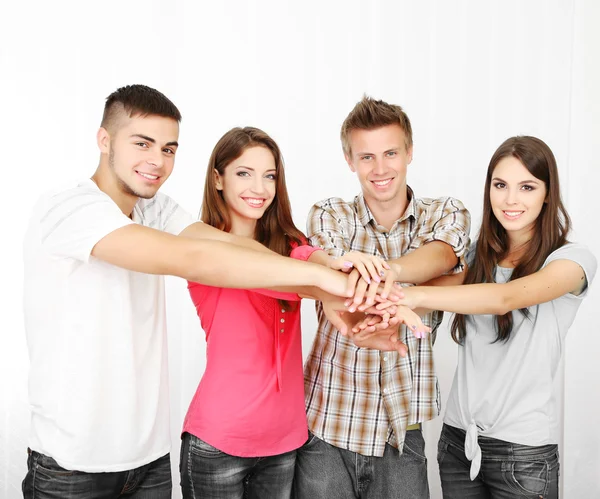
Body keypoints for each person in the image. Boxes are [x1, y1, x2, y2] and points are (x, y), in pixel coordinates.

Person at [21, 85, 368, 499]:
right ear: (104, 140)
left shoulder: (157, 209)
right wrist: (327, 282)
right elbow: (195, 258)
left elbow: (229, 245)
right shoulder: (71, 209)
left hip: (148, 460)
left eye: (169, 149)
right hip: (71, 463)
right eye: (142, 144)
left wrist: (320, 271)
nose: (157, 161)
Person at [179, 127, 426, 499]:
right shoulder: (202, 246)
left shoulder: (289, 243)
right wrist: (332, 281)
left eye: (270, 176)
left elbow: (303, 258)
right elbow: (279, 274)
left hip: (284, 443)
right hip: (219, 440)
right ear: (218, 179)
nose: (259, 188)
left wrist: (334, 266)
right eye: (244, 173)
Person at [357, 136, 597, 498]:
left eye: (527, 187)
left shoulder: (572, 261)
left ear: (548, 194)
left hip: (524, 454)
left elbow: (504, 298)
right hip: (458, 445)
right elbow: (433, 297)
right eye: (500, 185)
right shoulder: (477, 256)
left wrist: (413, 293)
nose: (511, 199)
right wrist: (381, 315)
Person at [293, 96, 471, 499]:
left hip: (402, 431)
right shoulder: (329, 213)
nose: (380, 168)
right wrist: (417, 291)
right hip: (328, 426)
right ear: (349, 159)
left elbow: (443, 253)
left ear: (409, 152)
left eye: (391, 152)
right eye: (366, 156)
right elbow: (336, 272)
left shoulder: (445, 211)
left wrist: (389, 274)